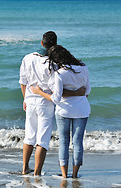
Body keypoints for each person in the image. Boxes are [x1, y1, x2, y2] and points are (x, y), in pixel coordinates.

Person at [19, 31, 84, 176]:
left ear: (41, 43)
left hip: (29, 101)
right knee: (42, 139)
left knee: (29, 135)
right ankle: (37, 173)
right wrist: (77, 92)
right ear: (54, 45)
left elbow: (23, 82)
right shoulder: (53, 63)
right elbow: (57, 91)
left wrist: (25, 99)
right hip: (45, 103)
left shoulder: (27, 58)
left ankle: (24, 168)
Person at [30, 45, 90, 178]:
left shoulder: (60, 74)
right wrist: (76, 93)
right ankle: (75, 174)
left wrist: (39, 92)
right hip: (82, 109)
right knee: (78, 141)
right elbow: (87, 91)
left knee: (64, 141)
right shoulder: (83, 68)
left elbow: (56, 98)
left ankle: (64, 175)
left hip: (64, 110)